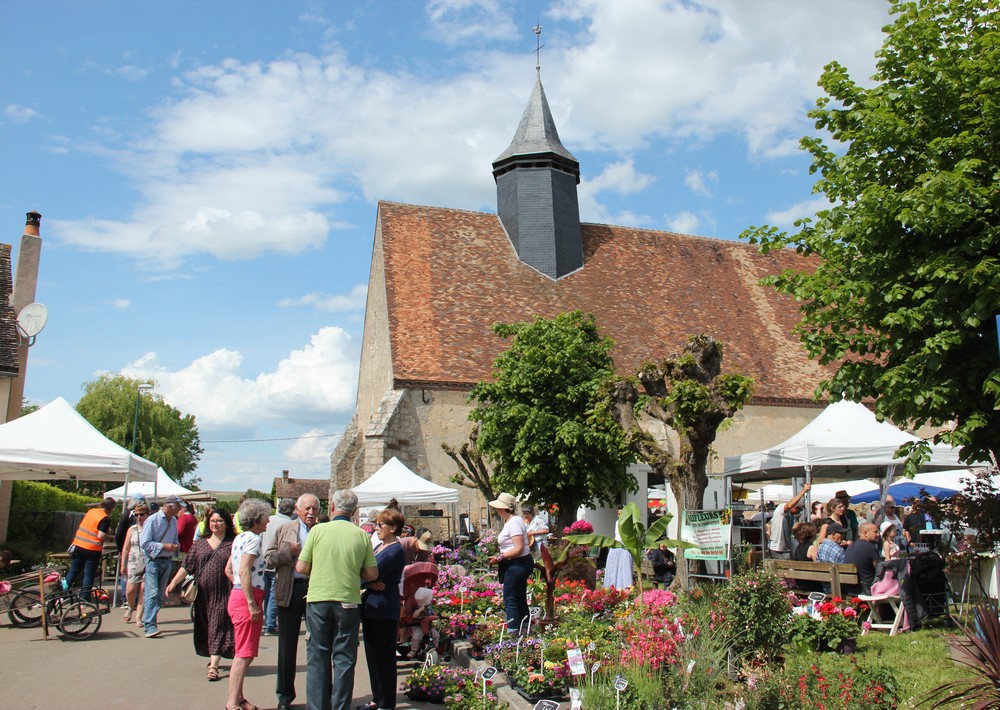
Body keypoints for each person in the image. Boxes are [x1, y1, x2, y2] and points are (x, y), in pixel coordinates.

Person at [296, 489, 378, 710]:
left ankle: (317, 706)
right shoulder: (361, 535)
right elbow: (372, 573)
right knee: (344, 659)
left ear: (332, 506)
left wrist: (320, 568)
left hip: (319, 598)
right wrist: (353, 570)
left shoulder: (317, 531)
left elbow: (301, 567)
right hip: (348, 600)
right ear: (354, 510)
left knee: (318, 656)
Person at [166, 508, 236, 682]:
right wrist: (174, 582)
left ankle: (214, 666)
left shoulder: (233, 543)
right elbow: (187, 565)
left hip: (224, 592)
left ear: (227, 523)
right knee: (206, 626)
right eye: (212, 521)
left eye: (219, 521)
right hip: (202, 595)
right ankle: (214, 654)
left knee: (217, 624)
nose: (215, 524)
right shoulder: (200, 544)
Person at [266, 494, 320, 710]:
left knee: (318, 645)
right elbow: (269, 559)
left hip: (316, 590)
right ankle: (285, 696)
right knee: (287, 646)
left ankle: (319, 696)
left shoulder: (322, 530)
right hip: (290, 589)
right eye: (307, 508)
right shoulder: (284, 529)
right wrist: (288, 552)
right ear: (297, 510)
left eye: (315, 509)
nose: (311, 513)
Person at [224, 498, 271, 710]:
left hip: (239, 595)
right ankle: (232, 702)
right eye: (265, 517)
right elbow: (243, 570)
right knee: (244, 654)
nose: (268, 520)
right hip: (247, 597)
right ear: (256, 520)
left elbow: (230, 569)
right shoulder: (252, 539)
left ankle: (239, 698)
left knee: (246, 652)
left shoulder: (240, 538)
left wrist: (239, 587)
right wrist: (251, 602)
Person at [359, 508, 406, 710]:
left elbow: (371, 573)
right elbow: (364, 571)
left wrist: (367, 580)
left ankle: (386, 703)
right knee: (373, 657)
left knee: (384, 657)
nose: (376, 528)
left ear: (393, 528)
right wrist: (368, 581)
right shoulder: (380, 546)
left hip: (384, 608)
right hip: (372, 606)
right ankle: (377, 698)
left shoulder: (395, 550)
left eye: (380, 525)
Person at [486, 492, 533, 633]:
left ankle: (513, 631)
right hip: (518, 563)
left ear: (503, 508)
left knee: (510, 598)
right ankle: (525, 628)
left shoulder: (514, 523)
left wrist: (500, 557)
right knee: (519, 597)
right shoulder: (513, 521)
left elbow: (518, 548)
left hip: (517, 564)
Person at [139, 493, 183, 638]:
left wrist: (175, 545)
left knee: (159, 595)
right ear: (170, 506)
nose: (180, 509)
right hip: (153, 561)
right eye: (178, 506)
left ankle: (151, 621)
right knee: (152, 593)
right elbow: (144, 543)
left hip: (167, 560)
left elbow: (175, 538)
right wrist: (163, 546)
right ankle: (150, 626)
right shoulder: (153, 520)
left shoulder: (174, 521)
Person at [65, 497, 117, 602]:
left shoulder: (91, 511)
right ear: (111, 508)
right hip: (92, 549)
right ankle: (84, 598)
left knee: (73, 571)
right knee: (88, 574)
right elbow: (101, 535)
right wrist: (113, 537)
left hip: (78, 545)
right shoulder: (105, 518)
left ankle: (62, 593)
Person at [262, 497, 295, 637]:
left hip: (265, 561)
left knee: (267, 595)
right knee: (274, 596)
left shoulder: (268, 520)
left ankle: (267, 622)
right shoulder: (290, 524)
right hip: (279, 563)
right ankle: (270, 625)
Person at [120, 503, 150, 624]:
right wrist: (123, 565)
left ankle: (139, 617)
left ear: (147, 515)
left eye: (141, 514)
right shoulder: (131, 529)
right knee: (130, 589)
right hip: (133, 561)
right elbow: (126, 548)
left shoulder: (151, 528)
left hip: (147, 561)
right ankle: (130, 608)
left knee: (143, 589)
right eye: (136, 515)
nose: (138, 517)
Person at [767, 483, 811, 559]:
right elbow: (789, 505)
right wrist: (804, 491)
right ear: (795, 506)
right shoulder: (781, 509)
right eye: (798, 509)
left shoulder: (790, 516)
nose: (798, 512)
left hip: (784, 548)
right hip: (778, 549)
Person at [845, 522, 881, 594]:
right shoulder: (869, 547)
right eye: (875, 532)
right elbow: (879, 569)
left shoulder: (850, 546)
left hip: (850, 589)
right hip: (867, 588)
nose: (878, 534)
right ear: (865, 533)